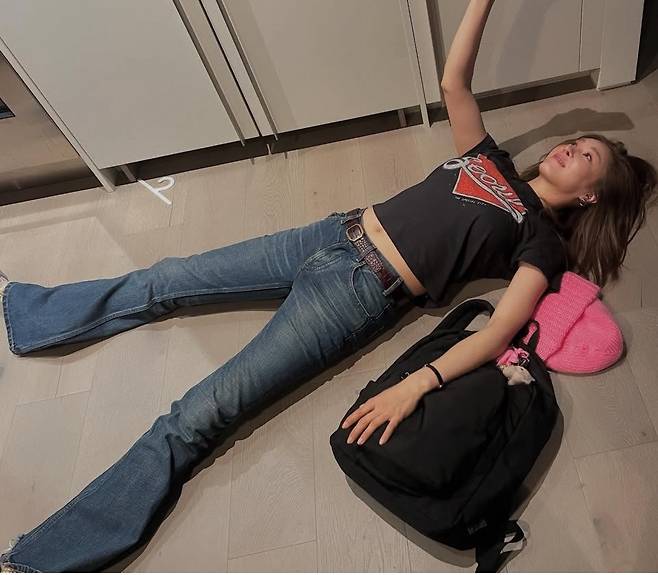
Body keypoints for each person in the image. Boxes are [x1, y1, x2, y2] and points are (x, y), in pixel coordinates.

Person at [1, 0, 656, 571]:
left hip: (357, 294)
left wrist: (417, 384)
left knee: (196, 416)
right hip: (330, 232)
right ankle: (29, 312)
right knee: (168, 277)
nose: (571, 147)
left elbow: (500, 332)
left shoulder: (539, 241)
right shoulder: (489, 159)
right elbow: (454, 80)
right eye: (576, 139)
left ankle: (47, 558)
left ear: (590, 195)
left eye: (587, 156)